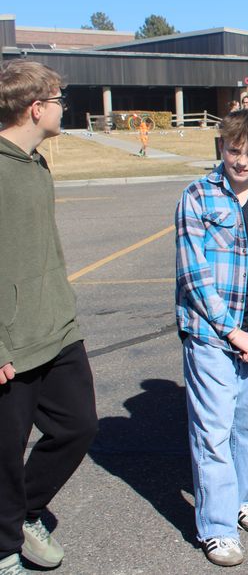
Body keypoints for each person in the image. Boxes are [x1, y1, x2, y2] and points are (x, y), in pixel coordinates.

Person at [175, 109, 248, 567]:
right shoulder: (198, 196)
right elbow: (194, 274)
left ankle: (245, 499)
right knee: (214, 433)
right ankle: (217, 528)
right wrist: (232, 330)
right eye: (233, 150)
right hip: (212, 336)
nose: (241, 161)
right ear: (221, 147)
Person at [0, 61, 98, 574]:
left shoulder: (36, 163)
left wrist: (65, 312)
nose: (65, 107)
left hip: (57, 329)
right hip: (11, 342)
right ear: (36, 108)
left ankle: (24, 515)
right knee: (5, 450)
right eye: (59, 99)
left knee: (78, 426)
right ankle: (3, 547)